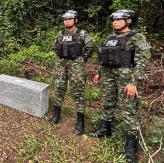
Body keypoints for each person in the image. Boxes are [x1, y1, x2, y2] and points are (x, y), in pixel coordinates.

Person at [88, 10, 151, 162]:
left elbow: (143, 61)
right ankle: (105, 129)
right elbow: (104, 57)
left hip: (126, 79)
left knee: (129, 110)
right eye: (113, 19)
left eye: (118, 19)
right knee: (107, 102)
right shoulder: (110, 38)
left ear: (129, 21)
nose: (114, 22)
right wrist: (99, 73)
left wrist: (134, 82)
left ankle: (131, 145)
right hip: (108, 76)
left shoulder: (136, 37)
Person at [50, 10, 93, 135]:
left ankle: (80, 122)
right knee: (59, 89)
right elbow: (55, 46)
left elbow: (90, 47)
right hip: (61, 66)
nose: (67, 21)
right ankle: (56, 115)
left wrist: (82, 58)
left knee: (78, 92)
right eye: (65, 19)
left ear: (75, 20)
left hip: (76, 66)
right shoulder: (60, 33)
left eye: (69, 19)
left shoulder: (82, 33)